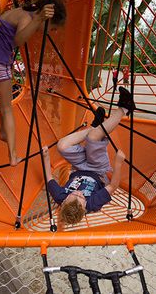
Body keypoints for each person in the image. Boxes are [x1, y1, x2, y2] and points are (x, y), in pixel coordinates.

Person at [0, 0, 66, 166]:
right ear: (47, 17)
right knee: (7, 108)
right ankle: (13, 155)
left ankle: (3, 131)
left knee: (4, 97)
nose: (50, 32)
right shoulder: (28, 17)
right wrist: (38, 19)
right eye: (52, 28)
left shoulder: (19, 12)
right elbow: (19, 40)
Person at [43, 87, 136, 226]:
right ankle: (125, 108)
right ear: (84, 207)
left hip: (78, 167)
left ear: (63, 202)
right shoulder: (92, 203)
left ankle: (94, 128)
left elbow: (49, 178)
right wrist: (118, 163)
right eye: (81, 197)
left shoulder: (60, 197)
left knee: (61, 146)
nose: (79, 193)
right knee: (93, 138)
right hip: (97, 170)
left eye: (73, 194)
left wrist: (45, 157)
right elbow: (112, 186)